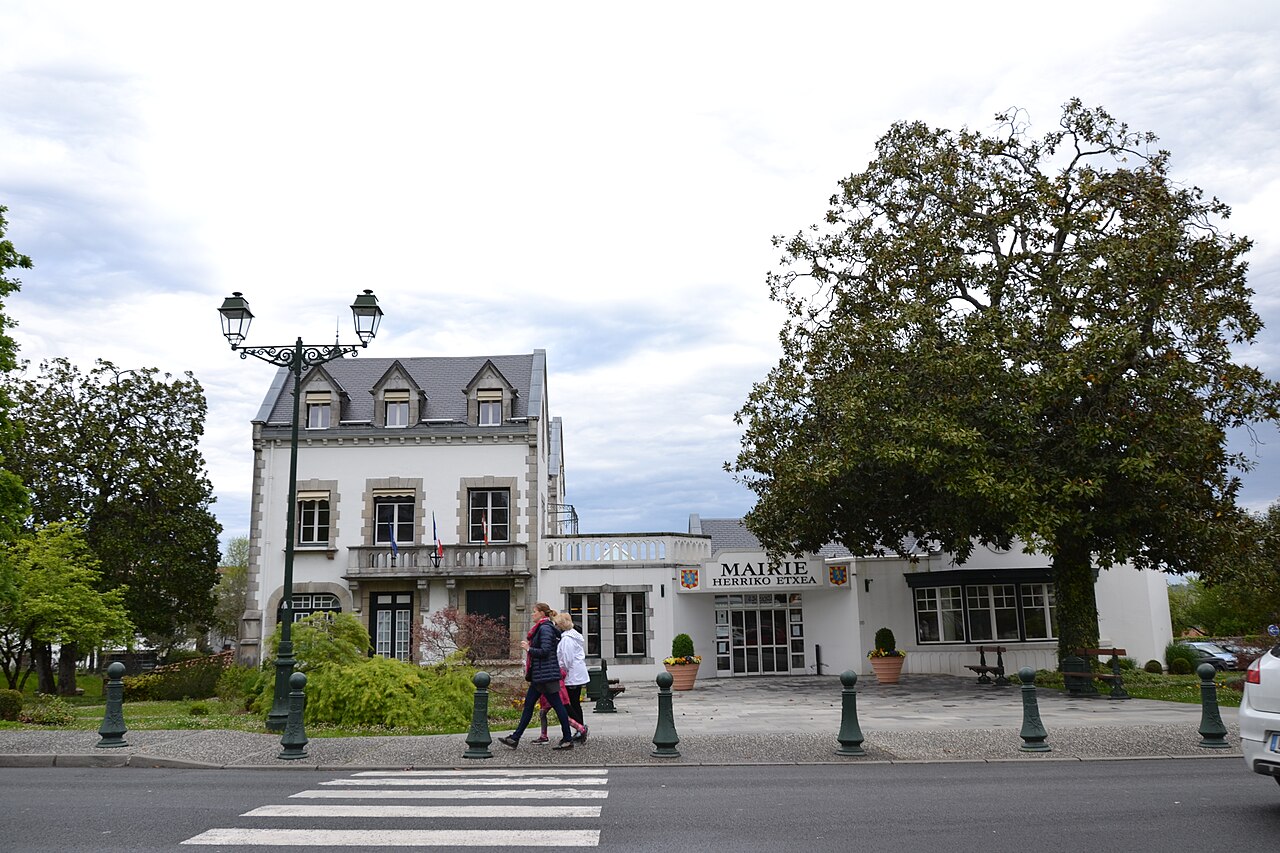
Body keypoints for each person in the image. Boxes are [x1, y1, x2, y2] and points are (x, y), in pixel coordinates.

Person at [500, 602, 573, 750]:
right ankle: (515, 738)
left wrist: (529, 649)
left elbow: (545, 651)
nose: (532, 614)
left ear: (541, 614)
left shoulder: (545, 629)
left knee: (558, 707)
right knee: (529, 706)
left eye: (534, 611)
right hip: (540, 676)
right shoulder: (542, 628)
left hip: (545, 675)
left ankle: (567, 738)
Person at [554, 610, 590, 739]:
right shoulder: (574, 636)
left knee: (569, 704)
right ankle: (580, 728)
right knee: (575, 703)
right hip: (577, 675)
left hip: (571, 676)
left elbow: (566, 659)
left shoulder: (567, 640)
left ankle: (580, 728)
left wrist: (561, 670)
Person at [532, 667, 588, 744]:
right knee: (545, 713)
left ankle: (581, 729)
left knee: (561, 715)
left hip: (553, 690)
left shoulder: (550, 664)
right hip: (554, 689)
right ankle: (544, 736)